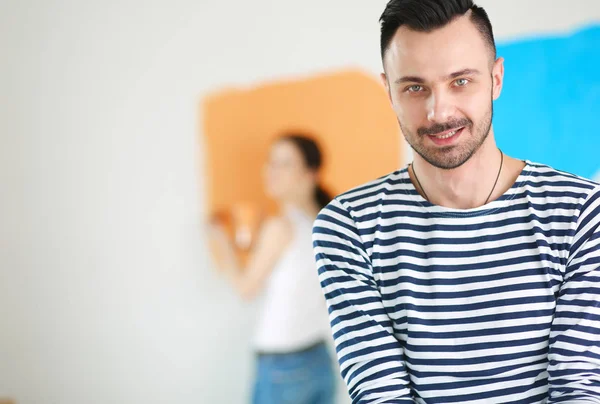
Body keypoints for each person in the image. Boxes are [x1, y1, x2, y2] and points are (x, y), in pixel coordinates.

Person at [312, 1, 600, 403]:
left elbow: (580, 389)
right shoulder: (349, 228)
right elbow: (381, 395)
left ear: (496, 79)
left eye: (460, 81)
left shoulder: (580, 211)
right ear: (388, 92)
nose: (438, 111)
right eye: (414, 87)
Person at [209, 134, 336, 404]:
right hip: (319, 360)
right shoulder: (328, 222)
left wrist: (220, 240)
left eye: (284, 163)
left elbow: (245, 289)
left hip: (282, 368)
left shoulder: (280, 227)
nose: (270, 170)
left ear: (310, 174)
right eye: (270, 162)